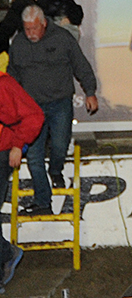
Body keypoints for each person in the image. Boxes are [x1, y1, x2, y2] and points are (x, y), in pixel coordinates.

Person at [7, 5, 98, 215]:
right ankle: (43, 203)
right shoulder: (18, 43)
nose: (30, 34)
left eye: (34, 29)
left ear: (44, 23)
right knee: (34, 157)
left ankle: (55, 170)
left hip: (59, 104)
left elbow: (81, 65)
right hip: (31, 110)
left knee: (59, 144)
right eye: (26, 29)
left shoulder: (63, 38)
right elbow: (12, 78)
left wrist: (90, 92)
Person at [0, 72, 44, 289]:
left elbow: (35, 115)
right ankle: (7, 253)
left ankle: (5, 257)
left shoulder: (4, 84)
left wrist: (18, 144)